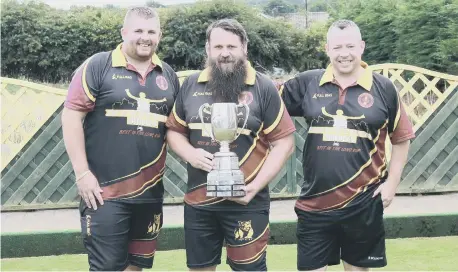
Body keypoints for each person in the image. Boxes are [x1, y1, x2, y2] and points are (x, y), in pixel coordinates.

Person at [279, 19, 415, 271]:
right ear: (327, 49)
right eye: (337, 47)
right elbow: (266, 104)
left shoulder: (384, 88)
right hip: (314, 201)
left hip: (363, 202)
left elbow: (402, 138)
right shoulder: (308, 83)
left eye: (350, 46)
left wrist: (392, 185)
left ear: (361, 47)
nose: (344, 54)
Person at [166, 18, 296, 271]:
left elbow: (284, 142)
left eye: (231, 47)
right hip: (199, 202)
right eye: (218, 47)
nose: (224, 54)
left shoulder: (263, 86)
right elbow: (174, 131)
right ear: (208, 49)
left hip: (248, 203)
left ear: (244, 47)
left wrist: (254, 187)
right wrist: (191, 154)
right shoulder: (192, 84)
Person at [61, 6, 179, 271]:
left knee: (136, 267)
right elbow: (71, 118)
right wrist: (82, 174)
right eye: (138, 30)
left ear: (159, 35)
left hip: (150, 194)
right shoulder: (97, 65)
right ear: (124, 32)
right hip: (103, 194)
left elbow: (175, 130)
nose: (144, 37)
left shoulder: (168, 75)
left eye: (151, 31)